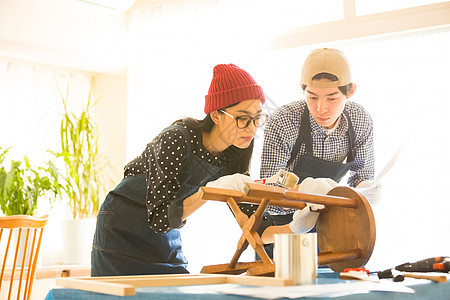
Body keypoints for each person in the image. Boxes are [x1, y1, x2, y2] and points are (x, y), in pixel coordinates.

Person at [91, 63, 269, 276]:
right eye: (242, 118)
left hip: (166, 234)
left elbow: (252, 222)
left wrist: (298, 226)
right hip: (122, 230)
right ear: (216, 115)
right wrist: (211, 191)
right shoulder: (177, 138)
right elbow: (159, 218)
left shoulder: (238, 149)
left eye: (257, 117)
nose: (252, 128)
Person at [257, 48, 381, 256]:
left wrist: (365, 190)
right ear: (302, 89)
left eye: (332, 98)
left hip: (331, 224)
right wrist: (307, 193)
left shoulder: (360, 120)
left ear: (350, 91)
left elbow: (361, 177)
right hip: (285, 226)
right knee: (289, 285)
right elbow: (269, 191)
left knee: (333, 284)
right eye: (312, 97)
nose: (321, 108)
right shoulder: (284, 120)